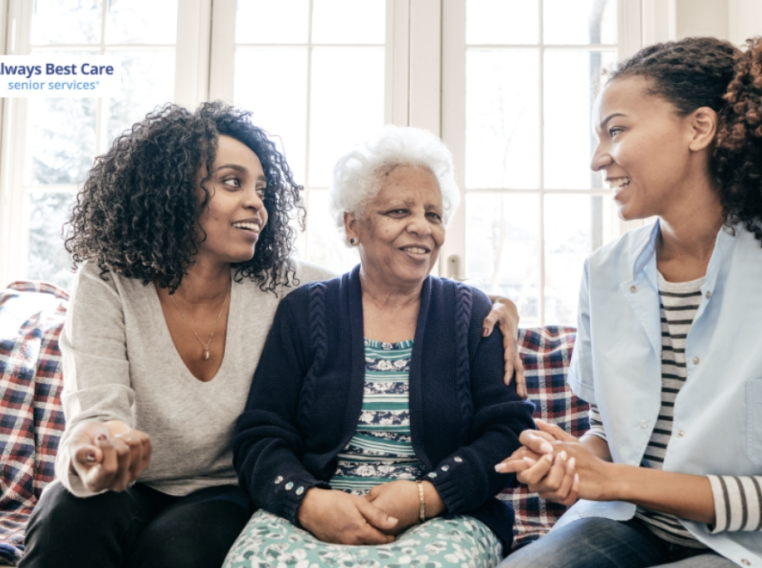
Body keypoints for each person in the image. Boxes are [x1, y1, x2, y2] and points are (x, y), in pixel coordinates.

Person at [19, 104, 524, 568]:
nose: (256, 204)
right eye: (232, 183)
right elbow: (95, 409)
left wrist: (497, 306)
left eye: (261, 189)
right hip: (125, 485)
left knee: (175, 551)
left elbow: (382, 281)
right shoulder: (108, 280)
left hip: (219, 491)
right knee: (66, 518)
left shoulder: (282, 284)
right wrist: (96, 446)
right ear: (170, 188)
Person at [496, 32, 762, 568]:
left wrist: (616, 479)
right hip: (627, 523)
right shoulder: (603, 271)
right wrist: (573, 465)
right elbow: (607, 435)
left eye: (615, 131)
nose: (599, 159)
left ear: (699, 127)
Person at [224, 126, 536, 568]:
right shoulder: (305, 310)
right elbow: (261, 435)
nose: (421, 227)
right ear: (353, 225)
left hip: (442, 517)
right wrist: (309, 502)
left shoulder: (472, 312)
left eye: (434, 214)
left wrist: (427, 496)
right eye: (398, 210)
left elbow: (507, 432)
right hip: (318, 511)